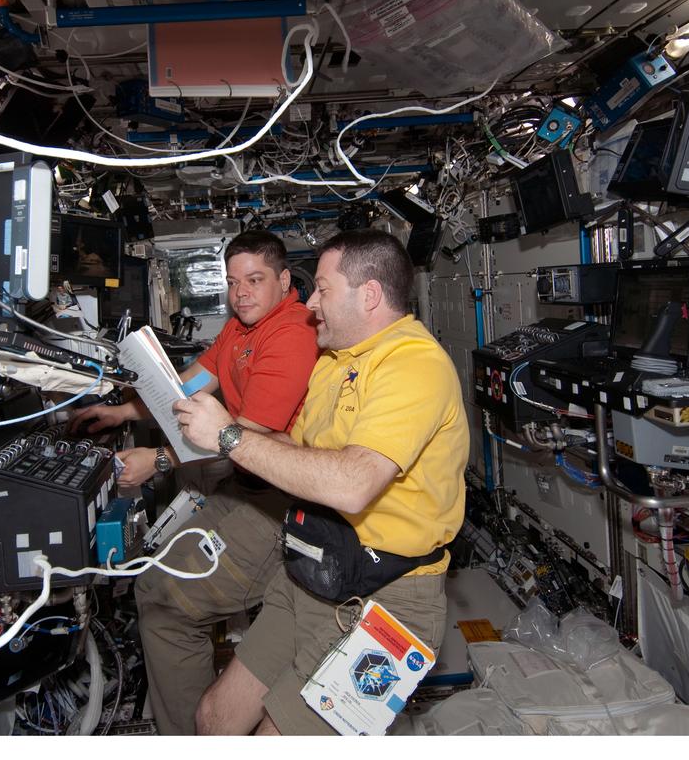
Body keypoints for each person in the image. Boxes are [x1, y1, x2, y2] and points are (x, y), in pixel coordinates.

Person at [173, 228, 468, 736]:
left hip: (392, 602)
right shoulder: (336, 363)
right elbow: (297, 453)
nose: (310, 304)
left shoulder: (414, 365)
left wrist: (227, 437)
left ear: (369, 295)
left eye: (324, 289)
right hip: (315, 571)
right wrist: (233, 436)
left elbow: (353, 483)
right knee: (214, 718)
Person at [68, 230, 319, 735]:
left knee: (163, 606)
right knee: (153, 577)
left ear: (284, 280)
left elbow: (247, 434)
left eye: (254, 280)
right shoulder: (240, 327)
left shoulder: (291, 334)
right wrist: (120, 412)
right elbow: (183, 388)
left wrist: (159, 461)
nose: (240, 292)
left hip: (280, 506)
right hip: (241, 486)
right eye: (232, 282)